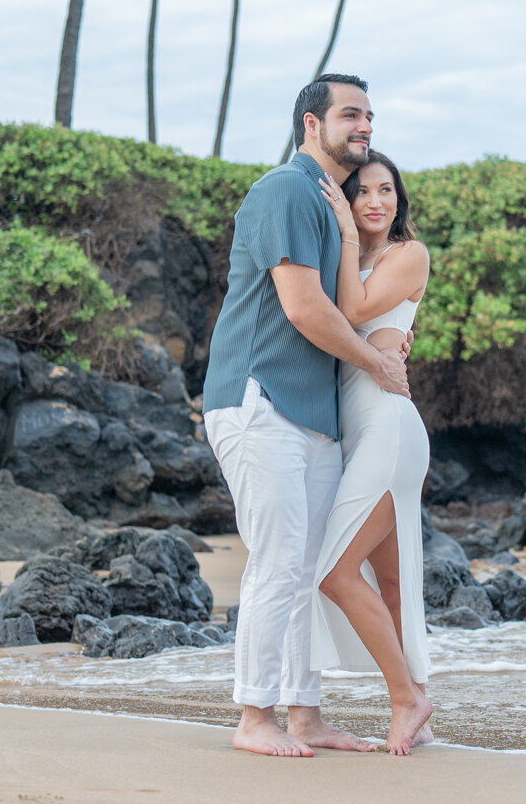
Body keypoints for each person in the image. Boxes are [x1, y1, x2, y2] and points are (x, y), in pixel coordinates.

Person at [199, 74, 410, 758]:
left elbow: (352, 304)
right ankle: (253, 716)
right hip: (259, 398)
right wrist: (378, 366)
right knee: (280, 560)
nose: (366, 125)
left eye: (370, 115)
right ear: (312, 125)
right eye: (351, 114)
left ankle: (304, 714)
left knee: (307, 566)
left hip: (312, 415)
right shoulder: (286, 189)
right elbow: (303, 308)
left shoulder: (328, 205)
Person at [310, 151, 435, 755]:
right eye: (361, 193)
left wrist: (340, 229)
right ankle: (420, 706)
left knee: (335, 574)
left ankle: (406, 699)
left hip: (389, 429)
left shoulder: (405, 255)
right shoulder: (348, 263)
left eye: (386, 190)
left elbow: (355, 312)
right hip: (358, 432)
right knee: (388, 579)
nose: (376, 202)